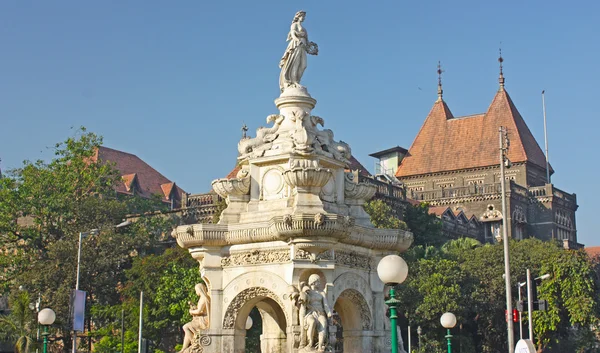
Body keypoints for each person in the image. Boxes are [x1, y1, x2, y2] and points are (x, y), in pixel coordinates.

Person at [279, 11, 318, 92]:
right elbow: (293, 35)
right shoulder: (294, 25)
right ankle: (294, 82)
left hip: (303, 47)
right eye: (302, 16)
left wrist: (312, 48)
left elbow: (307, 42)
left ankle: (297, 80)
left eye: (304, 16)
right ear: (298, 16)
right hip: (296, 45)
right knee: (295, 63)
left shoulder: (304, 29)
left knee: (303, 65)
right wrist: (297, 40)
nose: (303, 18)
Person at [299, 274, 332, 351]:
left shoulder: (322, 293)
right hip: (310, 313)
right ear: (313, 282)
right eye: (318, 281)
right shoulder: (307, 292)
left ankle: (320, 345)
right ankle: (310, 343)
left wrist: (329, 313)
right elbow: (303, 303)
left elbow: (326, 305)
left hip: (320, 313)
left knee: (323, 323)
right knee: (312, 322)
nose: (320, 283)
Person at [179, 283, 210, 352]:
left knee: (186, 327)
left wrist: (191, 312)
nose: (196, 292)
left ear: (200, 290)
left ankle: (195, 343)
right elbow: (202, 310)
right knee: (187, 329)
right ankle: (184, 348)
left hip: (204, 321)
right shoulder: (203, 298)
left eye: (196, 290)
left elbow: (199, 311)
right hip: (201, 318)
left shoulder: (204, 299)